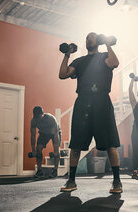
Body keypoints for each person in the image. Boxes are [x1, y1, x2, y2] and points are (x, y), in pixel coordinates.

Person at [58, 32, 122, 193]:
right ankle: (71, 181)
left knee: (110, 144)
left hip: (102, 102)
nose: (88, 39)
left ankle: (117, 182)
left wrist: (107, 43)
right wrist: (67, 55)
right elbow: (62, 74)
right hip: (83, 102)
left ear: (97, 41)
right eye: (86, 37)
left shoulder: (105, 56)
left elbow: (115, 62)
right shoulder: (79, 61)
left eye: (91, 37)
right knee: (76, 144)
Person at [30, 106, 61, 178]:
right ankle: (39, 170)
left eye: (39, 117)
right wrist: (33, 151)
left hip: (54, 133)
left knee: (56, 151)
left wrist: (56, 149)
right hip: (43, 133)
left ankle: (55, 170)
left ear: (43, 114)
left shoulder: (51, 119)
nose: (38, 119)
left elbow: (56, 135)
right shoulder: (33, 121)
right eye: (36, 117)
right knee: (38, 149)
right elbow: (33, 136)